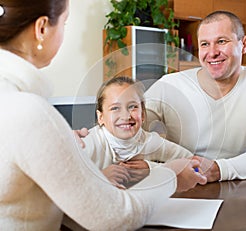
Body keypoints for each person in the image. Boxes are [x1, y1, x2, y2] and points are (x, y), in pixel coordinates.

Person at [0, 1, 206, 230]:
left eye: (133, 107)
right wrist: (171, 176)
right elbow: (117, 216)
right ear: (42, 29)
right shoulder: (29, 112)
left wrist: (56, 141)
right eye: (64, 23)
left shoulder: (17, 106)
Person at [144, 10, 246, 183]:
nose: (212, 52)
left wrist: (217, 169)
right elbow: (124, 133)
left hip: (238, 187)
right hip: (181, 186)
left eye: (221, 41)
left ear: (244, 44)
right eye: (204, 44)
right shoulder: (169, 85)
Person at [81, 76, 204, 189]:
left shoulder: (151, 142)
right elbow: (64, 184)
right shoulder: (87, 144)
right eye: (115, 108)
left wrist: (151, 169)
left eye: (132, 106)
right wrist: (100, 177)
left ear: (143, 114)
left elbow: (195, 166)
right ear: (101, 117)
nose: (125, 116)